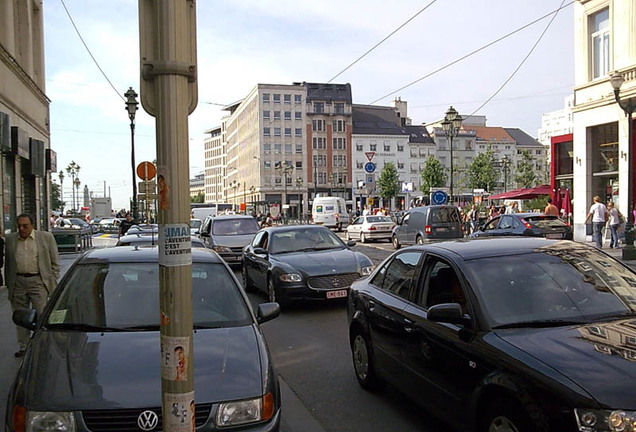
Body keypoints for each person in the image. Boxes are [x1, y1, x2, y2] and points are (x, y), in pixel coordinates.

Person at [4, 213, 60, 357]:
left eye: (25, 226)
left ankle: (41, 344)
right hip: (18, 282)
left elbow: (54, 261)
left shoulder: (45, 238)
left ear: (32, 225)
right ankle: (24, 346)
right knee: (20, 316)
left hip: (38, 281)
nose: (21, 229)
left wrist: (51, 279)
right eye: (19, 226)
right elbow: (9, 264)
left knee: (41, 314)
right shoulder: (11, 240)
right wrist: (10, 284)